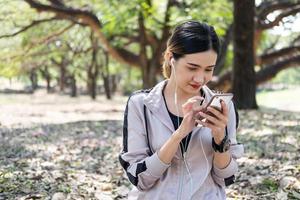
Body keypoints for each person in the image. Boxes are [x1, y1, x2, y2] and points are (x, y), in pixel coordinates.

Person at [119, 20, 244, 200]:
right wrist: (179, 134)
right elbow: (139, 179)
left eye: (209, 69)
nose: (200, 78)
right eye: (192, 67)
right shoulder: (141, 104)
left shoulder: (223, 108)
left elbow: (226, 178)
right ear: (171, 57)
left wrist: (219, 138)